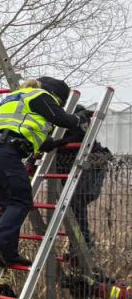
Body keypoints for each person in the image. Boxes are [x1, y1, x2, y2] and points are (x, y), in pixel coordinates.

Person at [0, 77, 83, 268]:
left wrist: (54, 143)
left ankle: (8, 253)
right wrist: (80, 118)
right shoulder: (41, 96)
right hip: (6, 152)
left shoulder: (14, 98)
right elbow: (63, 120)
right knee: (22, 201)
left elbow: (24, 132)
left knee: (8, 204)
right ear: (57, 96)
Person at [49, 104, 113, 249]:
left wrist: (57, 142)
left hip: (88, 164)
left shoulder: (77, 116)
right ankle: (79, 243)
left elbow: (80, 136)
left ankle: (82, 243)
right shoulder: (56, 116)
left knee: (76, 201)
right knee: (72, 206)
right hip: (68, 164)